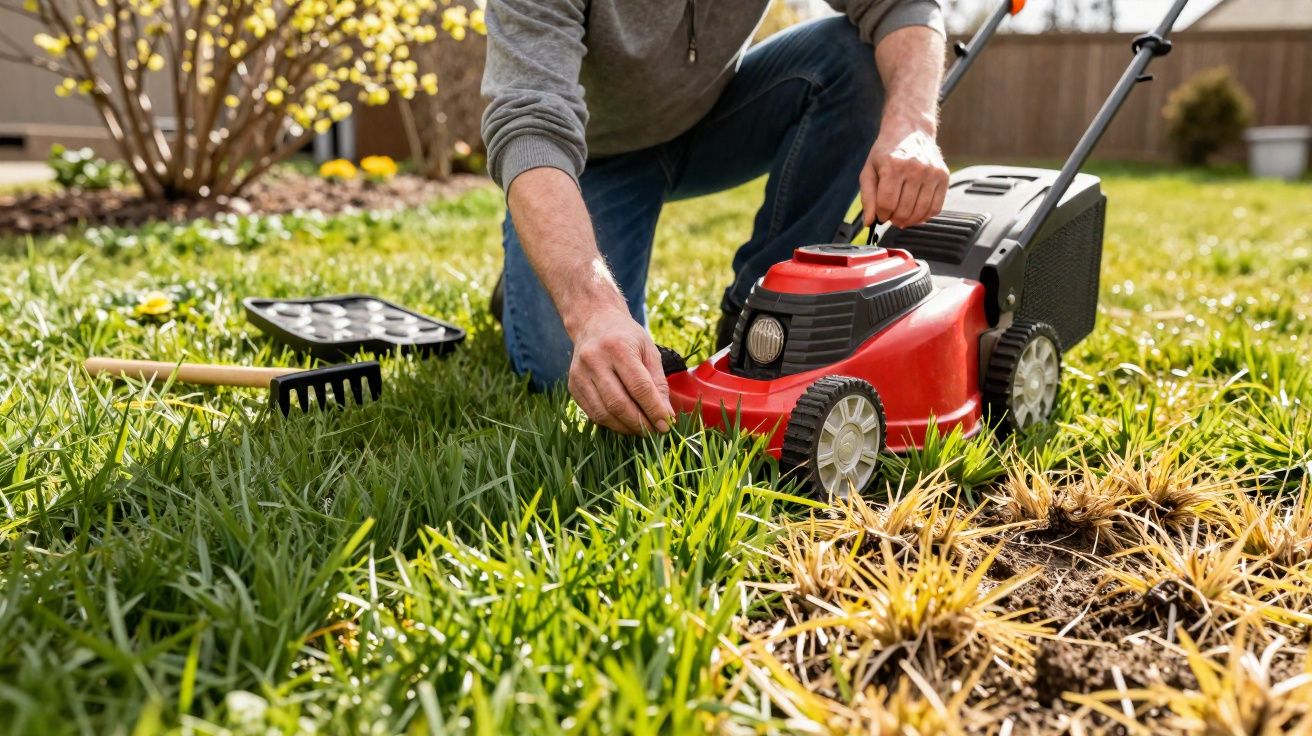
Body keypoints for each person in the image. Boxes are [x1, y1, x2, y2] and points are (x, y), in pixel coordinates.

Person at [482, 0, 950, 436]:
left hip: (713, 120)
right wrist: (591, 310)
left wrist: (913, 126)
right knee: (564, 366)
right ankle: (541, 258)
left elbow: (901, 5)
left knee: (850, 60)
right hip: (593, 156)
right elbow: (528, 122)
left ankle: (758, 316)